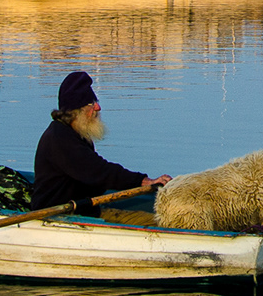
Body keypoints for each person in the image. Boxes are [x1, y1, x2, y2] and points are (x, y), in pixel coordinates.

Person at [33, 71, 170, 216]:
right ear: (76, 111)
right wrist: (142, 181)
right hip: (59, 214)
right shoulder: (60, 138)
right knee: (152, 221)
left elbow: (96, 177)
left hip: (86, 210)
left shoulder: (76, 134)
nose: (97, 108)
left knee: (154, 217)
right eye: (91, 103)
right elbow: (99, 171)